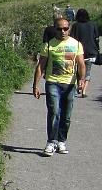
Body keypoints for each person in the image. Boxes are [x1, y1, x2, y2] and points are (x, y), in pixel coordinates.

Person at [33, 17, 86, 155]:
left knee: (66, 116)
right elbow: (41, 66)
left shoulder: (76, 44)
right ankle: (51, 142)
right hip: (53, 82)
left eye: (65, 28)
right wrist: (35, 85)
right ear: (54, 29)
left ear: (69, 29)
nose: (62, 31)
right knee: (54, 112)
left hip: (69, 84)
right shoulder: (49, 45)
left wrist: (82, 79)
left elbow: (81, 64)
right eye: (59, 28)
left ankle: (61, 141)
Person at [70, 8, 101, 97]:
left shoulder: (76, 25)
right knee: (87, 71)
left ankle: (78, 86)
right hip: (91, 51)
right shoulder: (93, 24)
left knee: (77, 70)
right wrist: (97, 49)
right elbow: (97, 38)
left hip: (78, 51)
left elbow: (72, 38)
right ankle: (83, 90)